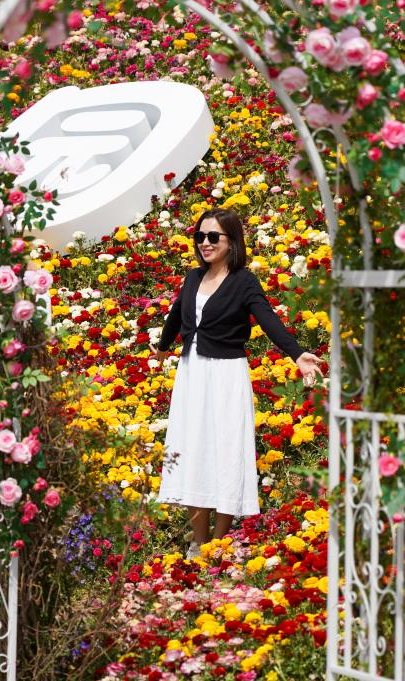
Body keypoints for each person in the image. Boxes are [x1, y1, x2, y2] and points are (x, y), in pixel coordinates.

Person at [150, 208, 324, 559]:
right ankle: (198, 542)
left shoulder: (244, 281)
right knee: (192, 450)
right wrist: (163, 347)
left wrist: (296, 354)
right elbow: (176, 315)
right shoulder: (193, 277)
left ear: (232, 242)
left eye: (214, 237)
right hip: (192, 374)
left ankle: (218, 542)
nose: (205, 243)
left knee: (226, 452)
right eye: (200, 236)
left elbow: (268, 319)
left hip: (226, 376)